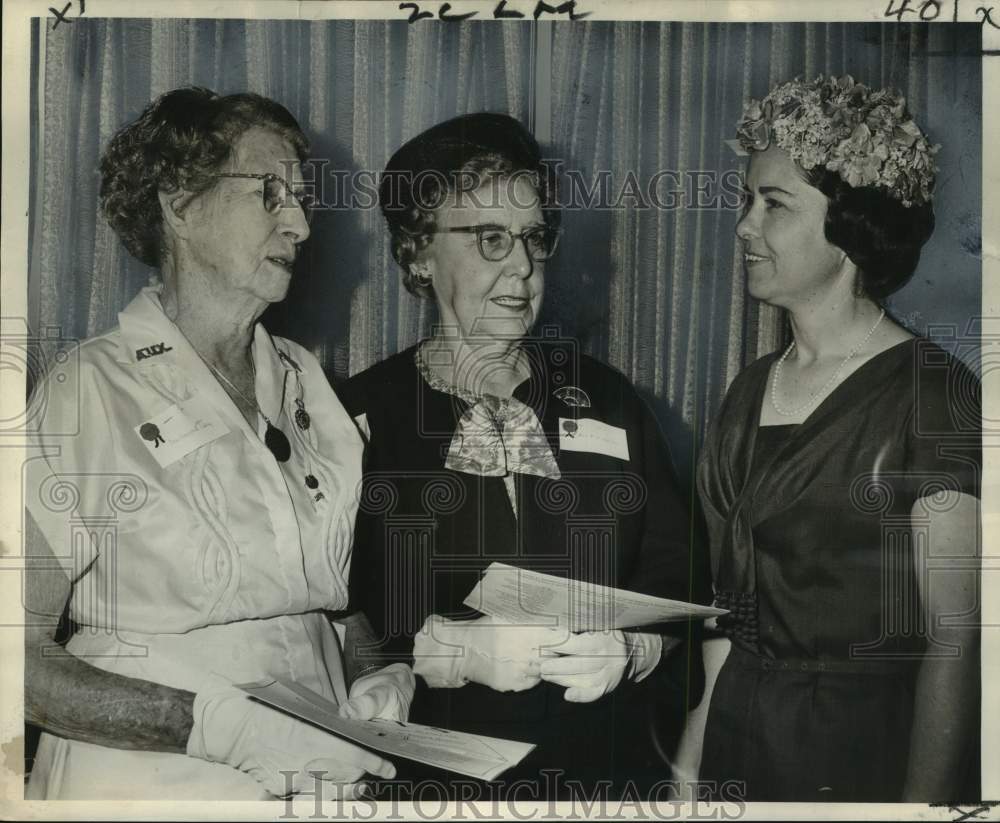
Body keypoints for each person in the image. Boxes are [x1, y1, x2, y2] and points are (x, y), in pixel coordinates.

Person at [23, 87, 414, 800]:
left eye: (300, 197)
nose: (297, 221)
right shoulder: (91, 388)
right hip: (149, 784)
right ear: (180, 205)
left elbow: (325, 594)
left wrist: (373, 672)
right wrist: (213, 726)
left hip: (317, 774)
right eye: (269, 192)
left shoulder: (304, 381)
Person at [338, 112, 710, 798]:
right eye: (490, 239)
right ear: (418, 251)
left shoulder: (608, 397)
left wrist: (637, 650)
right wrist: (429, 656)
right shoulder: (358, 418)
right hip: (434, 788)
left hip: (605, 781)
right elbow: (334, 611)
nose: (523, 266)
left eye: (535, 237)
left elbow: (683, 576)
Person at [684, 75, 980, 802]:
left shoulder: (933, 395)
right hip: (735, 745)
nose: (745, 227)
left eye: (774, 204)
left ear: (848, 227)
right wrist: (687, 772)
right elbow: (729, 625)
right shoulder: (748, 390)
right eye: (747, 201)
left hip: (857, 760)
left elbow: (957, 644)